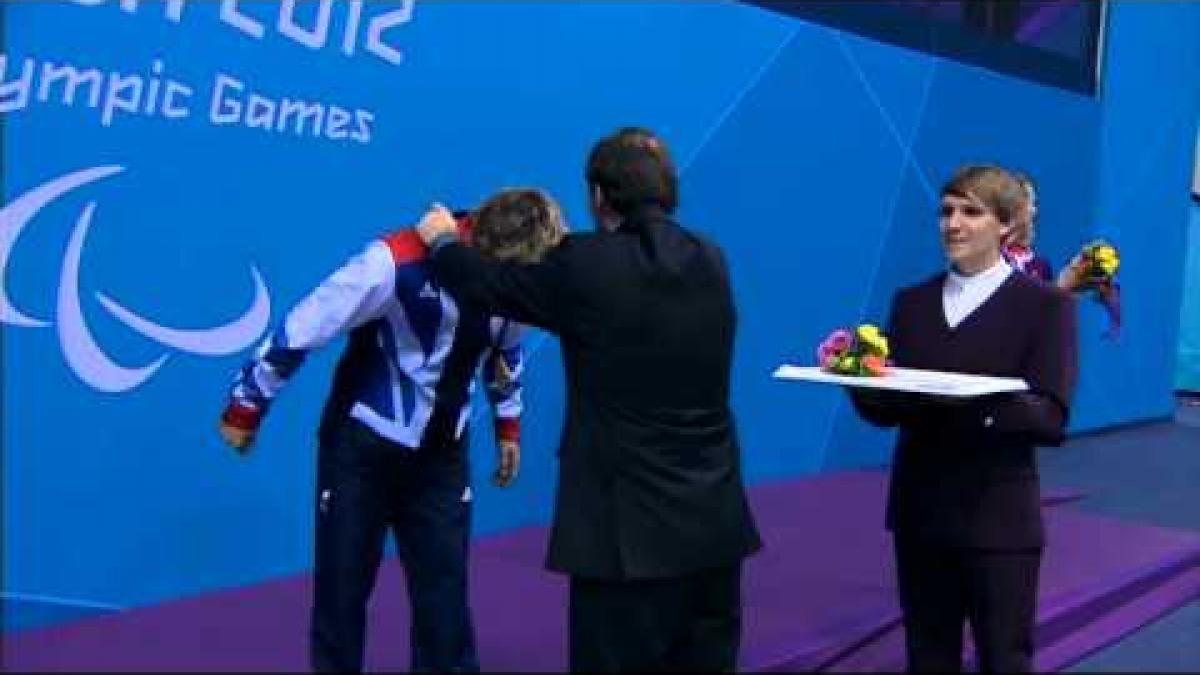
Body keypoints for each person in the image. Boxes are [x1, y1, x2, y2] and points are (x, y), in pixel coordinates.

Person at [416, 127, 763, 672]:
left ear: (599, 197)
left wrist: (440, 240)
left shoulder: (587, 265)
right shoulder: (711, 260)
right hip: (714, 532)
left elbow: (487, 285)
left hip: (625, 545)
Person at [217, 188, 567, 673]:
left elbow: (506, 353)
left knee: (444, 605)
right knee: (342, 595)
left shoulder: (513, 279)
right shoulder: (393, 261)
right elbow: (305, 326)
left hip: (443, 457)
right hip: (362, 450)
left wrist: (508, 424)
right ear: (489, 250)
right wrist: (246, 404)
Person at [849, 164, 1078, 672]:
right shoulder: (911, 304)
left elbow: (1051, 418)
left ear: (1007, 226)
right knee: (927, 657)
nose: (953, 223)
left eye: (971, 212)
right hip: (921, 513)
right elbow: (888, 411)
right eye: (947, 211)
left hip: (998, 520)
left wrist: (975, 404)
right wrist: (857, 379)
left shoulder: (1044, 307)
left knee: (1004, 659)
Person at [1002, 172, 1055, 284]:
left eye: (1035, 204)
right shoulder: (991, 260)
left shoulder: (1041, 265)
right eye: (1031, 203)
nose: (1034, 211)